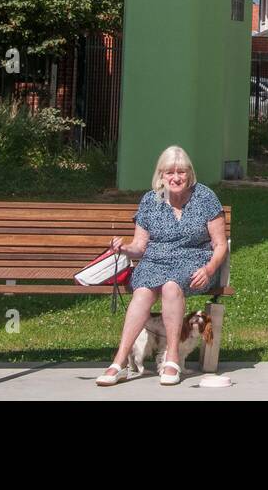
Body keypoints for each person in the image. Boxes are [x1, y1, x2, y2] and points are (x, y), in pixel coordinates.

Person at [96, 146, 228, 386]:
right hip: (154, 260)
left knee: (170, 286)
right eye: (170, 172)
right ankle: (119, 361)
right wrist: (123, 248)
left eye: (181, 172)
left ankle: (172, 359)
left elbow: (220, 245)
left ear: (190, 174)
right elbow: (139, 246)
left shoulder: (205, 197)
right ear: (161, 176)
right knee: (143, 291)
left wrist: (209, 269)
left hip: (194, 261)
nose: (176, 177)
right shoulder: (150, 200)